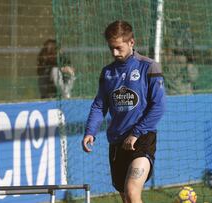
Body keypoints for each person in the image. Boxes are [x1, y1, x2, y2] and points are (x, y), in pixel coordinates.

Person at [82, 20, 166, 203]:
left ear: (131, 43)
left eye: (118, 48)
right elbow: (99, 105)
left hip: (142, 138)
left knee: (132, 191)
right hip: (117, 143)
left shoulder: (149, 67)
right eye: (111, 48)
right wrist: (90, 131)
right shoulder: (107, 73)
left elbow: (158, 106)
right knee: (127, 199)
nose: (114, 53)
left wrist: (136, 133)